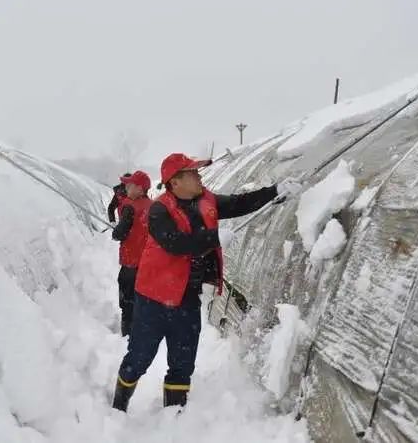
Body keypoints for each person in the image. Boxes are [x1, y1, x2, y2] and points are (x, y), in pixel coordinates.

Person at [111, 153, 301, 411]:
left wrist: (274, 192)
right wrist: (214, 238)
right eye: (192, 173)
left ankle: (174, 415)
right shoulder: (159, 210)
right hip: (153, 300)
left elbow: (239, 203)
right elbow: (175, 243)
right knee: (139, 358)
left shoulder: (206, 200)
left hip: (187, 298)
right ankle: (118, 407)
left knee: (182, 363)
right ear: (175, 182)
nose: (199, 176)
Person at [111, 170, 153, 337]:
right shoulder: (153, 206)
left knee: (127, 302)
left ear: (140, 189)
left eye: (130, 185)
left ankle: (127, 334)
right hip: (147, 264)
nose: (126, 187)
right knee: (143, 299)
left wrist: (116, 231)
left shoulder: (130, 207)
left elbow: (119, 234)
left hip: (131, 264)